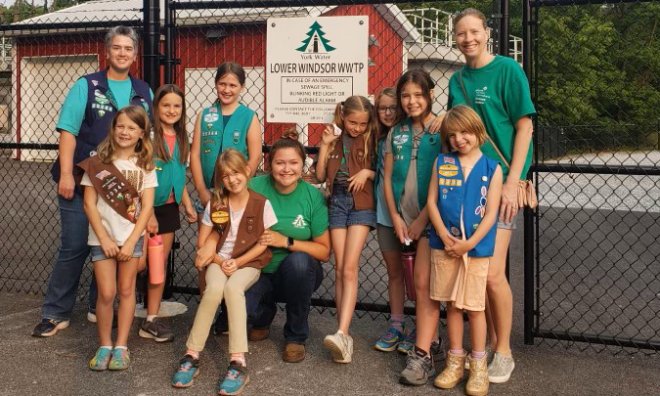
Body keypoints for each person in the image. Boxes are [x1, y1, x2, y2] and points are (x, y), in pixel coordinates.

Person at [33, 26, 153, 337]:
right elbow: (68, 132)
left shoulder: (144, 91)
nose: (122, 53)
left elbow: (149, 143)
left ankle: (95, 306)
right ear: (107, 51)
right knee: (74, 246)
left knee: (110, 244)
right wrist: (66, 173)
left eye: (128, 48)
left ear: (135, 55)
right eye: (117, 47)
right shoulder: (86, 86)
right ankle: (55, 312)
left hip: (123, 187)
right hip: (83, 180)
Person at [447, 8, 536, 383]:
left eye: (474, 31)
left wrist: (515, 180)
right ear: (455, 38)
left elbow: (524, 126)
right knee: (474, 272)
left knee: (493, 273)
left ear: (487, 33)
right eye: (461, 33)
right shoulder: (457, 80)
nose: (468, 38)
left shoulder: (508, 71)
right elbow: (458, 130)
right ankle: (478, 350)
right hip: (468, 184)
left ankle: (504, 350)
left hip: (502, 181)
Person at [171, 149, 277, 395]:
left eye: (237, 173)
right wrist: (220, 259)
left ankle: (238, 362)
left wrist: (238, 262)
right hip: (219, 260)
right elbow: (203, 242)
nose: (233, 179)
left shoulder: (261, 203)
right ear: (220, 179)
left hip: (248, 263)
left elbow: (264, 242)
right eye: (226, 175)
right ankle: (191, 355)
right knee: (215, 289)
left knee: (233, 288)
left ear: (248, 171)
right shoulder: (216, 204)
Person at [428, 106, 503, 396]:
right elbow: (432, 202)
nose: (460, 139)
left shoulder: (492, 168)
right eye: (453, 134)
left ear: (478, 131)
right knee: (453, 306)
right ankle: (455, 362)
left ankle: (478, 365)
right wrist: (445, 236)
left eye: (465, 132)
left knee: (474, 306)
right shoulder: (442, 162)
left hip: (475, 250)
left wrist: (469, 244)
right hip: (445, 246)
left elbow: (492, 212)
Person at [79, 105, 156, 371]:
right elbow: (89, 204)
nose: (125, 131)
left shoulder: (145, 165)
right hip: (103, 239)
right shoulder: (98, 162)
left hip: (130, 239)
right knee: (106, 292)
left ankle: (121, 346)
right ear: (113, 128)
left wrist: (133, 241)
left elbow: (146, 208)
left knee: (126, 291)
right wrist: (106, 239)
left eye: (132, 128)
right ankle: (104, 345)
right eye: (120, 126)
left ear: (141, 134)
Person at [245, 130, 331, 363]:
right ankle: (263, 315)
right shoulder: (253, 187)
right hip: (256, 270)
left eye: (293, 163)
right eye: (279, 162)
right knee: (244, 314)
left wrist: (287, 242)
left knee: (301, 262)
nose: (286, 169)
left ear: (303, 165)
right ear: (269, 163)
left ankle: (295, 336)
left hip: (294, 275)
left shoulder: (313, 196)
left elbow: (324, 252)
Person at [382, 69, 443, 385]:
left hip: (432, 222)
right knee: (411, 282)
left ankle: (425, 351)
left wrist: (422, 221)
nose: (412, 101)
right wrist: (394, 217)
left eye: (418, 94)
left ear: (430, 95)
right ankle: (427, 338)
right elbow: (388, 179)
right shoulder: (397, 133)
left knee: (423, 285)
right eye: (406, 95)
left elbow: (447, 179)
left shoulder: (442, 129)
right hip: (402, 221)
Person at [190, 61, 262, 311]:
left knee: (231, 245)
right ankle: (206, 306)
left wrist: (238, 187)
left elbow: (255, 156)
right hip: (210, 194)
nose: (227, 89)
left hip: (235, 194)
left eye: (232, 84)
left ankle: (229, 308)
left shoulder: (249, 117)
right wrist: (201, 189)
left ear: (241, 87)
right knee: (205, 248)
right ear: (216, 84)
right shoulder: (205, 115)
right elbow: (196, 154)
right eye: (222, 83)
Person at [315, 96, 378, 364]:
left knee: (350, 267)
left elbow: (385, 171)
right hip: (337, 201)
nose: (357, 128)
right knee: (340, 268)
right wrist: (324, 147)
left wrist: (368, 173)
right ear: (342, 116)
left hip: (361, 201)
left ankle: (342, 331)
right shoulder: (334, 137)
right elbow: (319, 176)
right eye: (353, 122)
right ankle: (345, 333)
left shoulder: (373, 138)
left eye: (362, 124)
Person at [138, 84, 197, 343]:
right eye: (166, 105)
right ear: (156, 107)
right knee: (138, 264)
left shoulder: (182, 138)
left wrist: (187, 203)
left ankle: (151, 319)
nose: (172, 110)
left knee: (158, 266)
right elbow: (139, 177)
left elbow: (179, 176)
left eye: (177, 106)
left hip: (169, 210)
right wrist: (146, 212)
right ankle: (125, 308)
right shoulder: (149, 137)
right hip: (146, 209)